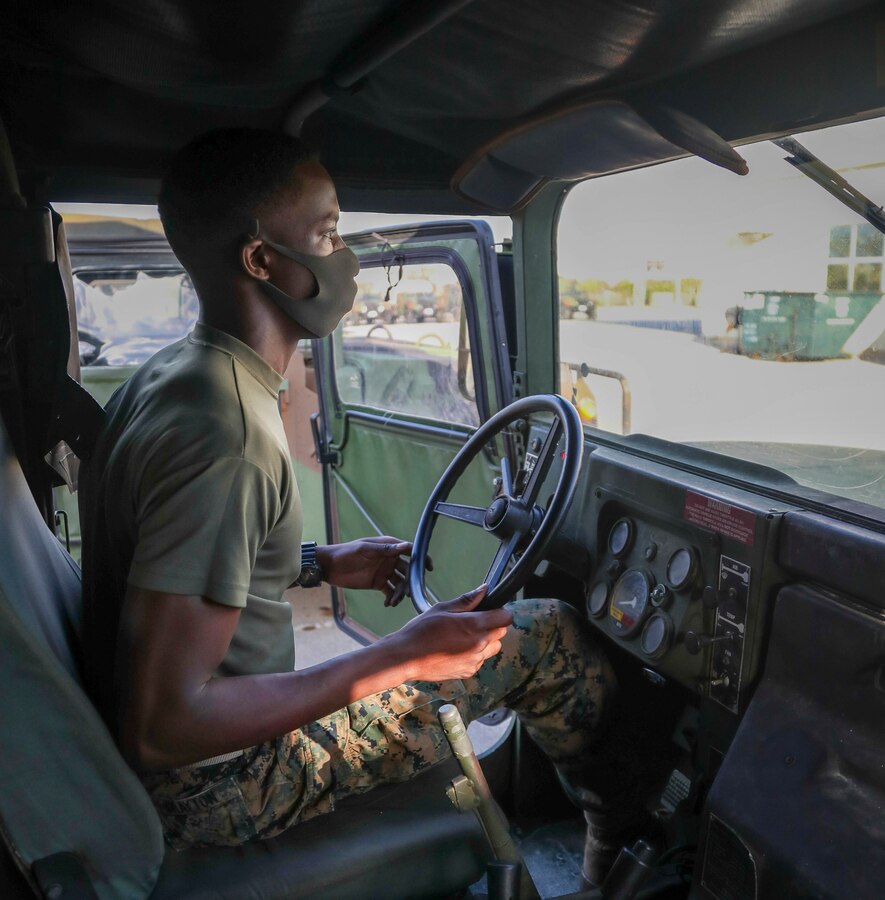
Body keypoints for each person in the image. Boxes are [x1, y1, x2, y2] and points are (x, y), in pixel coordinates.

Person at [78, 128, 623, 885]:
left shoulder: (173, 373)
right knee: (545, 637)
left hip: (189, 764)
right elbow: (163, 727)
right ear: (262, 259)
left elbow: (168, 565)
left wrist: (318, 564)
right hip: (220, 785)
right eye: (329, 234)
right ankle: (617, 848)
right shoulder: (226, 433)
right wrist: (401, 653)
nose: (348, 260)